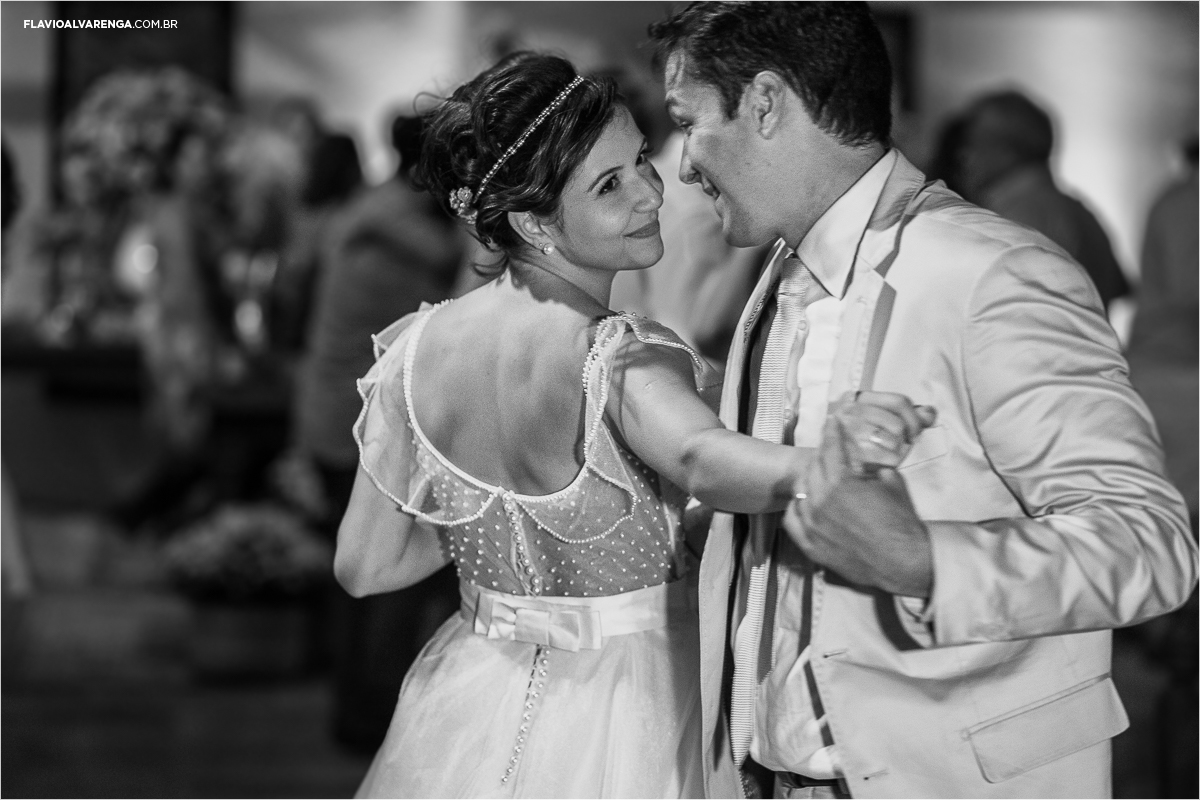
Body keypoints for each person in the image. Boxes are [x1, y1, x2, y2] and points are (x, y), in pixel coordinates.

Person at [333, 52, 927, 798]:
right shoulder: (614, 354)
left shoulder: (413, 352)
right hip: (639, 711)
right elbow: (701, 456)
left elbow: (365, 567)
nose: (652, 192)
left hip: (472, 707)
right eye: (609, 185)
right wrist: (818, 466)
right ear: (531, 221)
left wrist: (499, 537)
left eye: (641, 158)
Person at [648, 4, 1199, 798]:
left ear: (765, 104)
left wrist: (925, 559)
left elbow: (1150, 545)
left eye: (688, 123)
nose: (685, 166)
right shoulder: (779, 274)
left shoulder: (994, 274)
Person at [294, 114, 462, 750]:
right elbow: (460, 270)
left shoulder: (369, 212)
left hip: (332, 412)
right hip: (359, 422)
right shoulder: (406, 228)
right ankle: (369, 720)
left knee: (363, 583)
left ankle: (356, 713)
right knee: (384, 580)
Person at [957, 90, 1131, 311]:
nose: (963, 155)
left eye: (973, 141)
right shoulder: (1083, 214)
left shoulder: (1010, 220)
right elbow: (1119, 289)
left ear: (1007, 149)